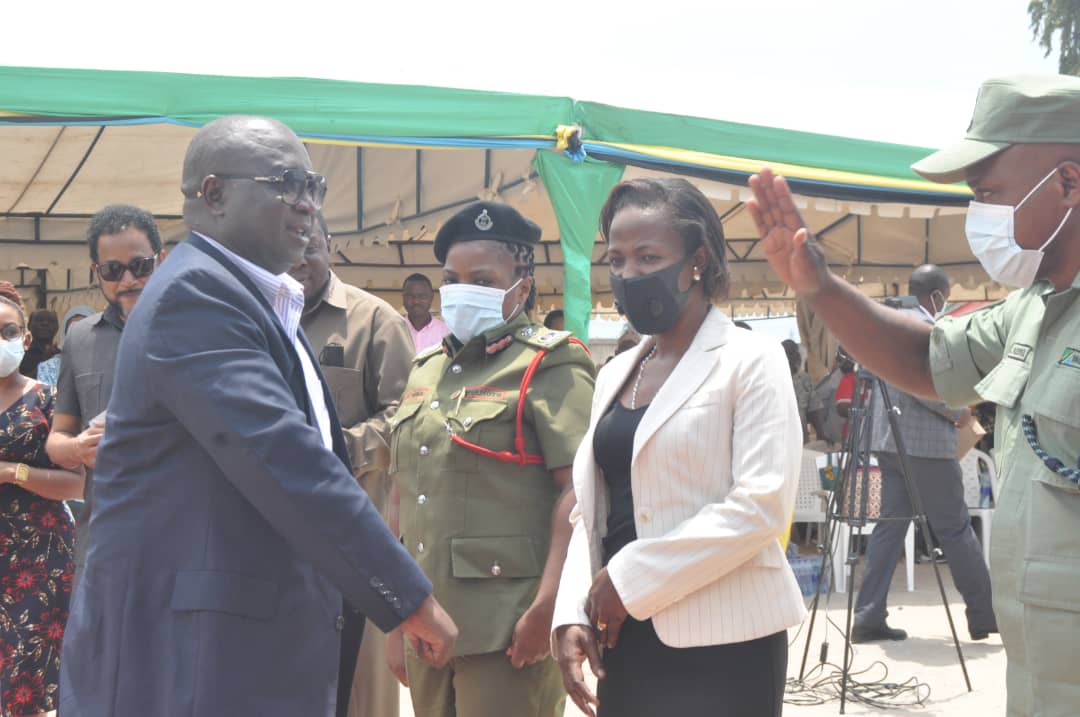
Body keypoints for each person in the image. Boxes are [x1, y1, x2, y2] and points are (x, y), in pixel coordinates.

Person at [59, 115, 457, 717]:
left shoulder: (252, 297)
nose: (307, 204)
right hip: (197, 654)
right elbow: (285, 458)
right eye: (287, 184)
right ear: (214, 194)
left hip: (248, 638)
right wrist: (409, 596)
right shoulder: (195, 297)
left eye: (314, 186)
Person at [748, 74, 1080, 717]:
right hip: (1040, 681)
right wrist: (820, 287)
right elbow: (928, 358)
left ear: (1067, 182)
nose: (978, 214)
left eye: (988, 193)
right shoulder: (1035, 308)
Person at [553, 177, 805, 717]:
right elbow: (591, 509)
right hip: (623, 635)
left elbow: (762, 504)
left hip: (725, 643)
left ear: (698, 261)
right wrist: (572, 609)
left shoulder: (751, 359)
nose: (628, 274)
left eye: (648, 257)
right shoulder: (615, 373)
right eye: (616, 259)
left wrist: (629, 578)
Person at [387, 201, 595, 717]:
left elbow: (580, 493)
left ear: (521, 288)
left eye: (482, 280)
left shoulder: (550, 363)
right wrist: (395, 615)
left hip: (509, 627)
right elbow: (401, 495)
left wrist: (549, 608)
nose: (462, 290)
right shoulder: (425, 369)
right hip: (426, 620)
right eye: (451, 279)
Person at [290, 211, 414, 717]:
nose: (298, 259)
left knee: (362, 693)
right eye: (285, 246)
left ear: (330, 243)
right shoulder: (255, 319)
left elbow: (406, 419)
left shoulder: (375, 321)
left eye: (309, 245)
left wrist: (334, 450)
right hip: (277, 544)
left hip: (355, 539)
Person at [851, 264, 996, 643]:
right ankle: (985, 614)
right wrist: (959, 412)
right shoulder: (925, 329)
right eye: (945, 297)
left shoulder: (890, 326)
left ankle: (868, 616)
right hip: (926, 445)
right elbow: (924, 386)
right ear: (936, 296)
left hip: (890, 441)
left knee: (890, 528)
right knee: (955, 528)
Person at [46, 206, 164, 594]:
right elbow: (58, 439)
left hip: (181, 538)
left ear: (161, 261)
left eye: (140, 266)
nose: (128, 280)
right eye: (113, 270)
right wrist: (78, 448)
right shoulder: (81, 339)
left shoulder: (196, 330)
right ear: (96, 272)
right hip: (103, 540)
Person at [0, 282, 84, 717]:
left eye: (8, 331)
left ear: (26, 338)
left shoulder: (49, 401)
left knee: (26, 682)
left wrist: (12, 472)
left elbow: (79, 484)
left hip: (36, 559)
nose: (2, 341)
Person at [35, 306, 95, 387]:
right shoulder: (48, 368)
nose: (79, 336)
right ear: (65, 335)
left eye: (85, 330)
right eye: (73, 331)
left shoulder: (105, 365)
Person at [784, 338, 827, 443]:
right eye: (788, 355)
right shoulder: (769, 379)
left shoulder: (804, 379)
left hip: (800, 441)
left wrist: (821, 434)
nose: (792, 358)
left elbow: (814, 408)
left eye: (794, 355)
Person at [815, 347, 855, 445]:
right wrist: (821, 431)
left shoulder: (863, 377)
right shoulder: (835, 378)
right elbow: (817, 402)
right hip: (833, 436)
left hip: (851, 437)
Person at [402, 273, 449, 352]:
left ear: (431, 297)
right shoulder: (395, 331)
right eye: (410, 296)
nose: (416, 301)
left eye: (422, 296)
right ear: (403, 298)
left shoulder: (445, 332)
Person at [18, 309, 58, 379]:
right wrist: (45, 363)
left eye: (51, 321)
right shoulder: (19, 357)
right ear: (29, 326)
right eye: (39, 320)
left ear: (57, 327)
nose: (45, 323)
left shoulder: (64, 356)